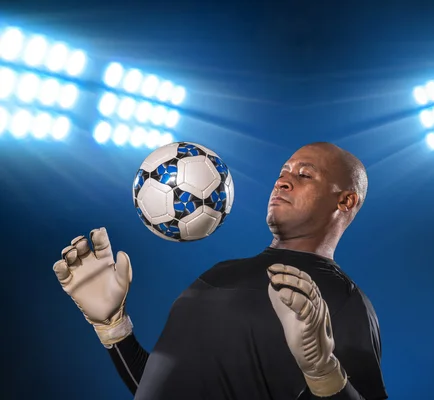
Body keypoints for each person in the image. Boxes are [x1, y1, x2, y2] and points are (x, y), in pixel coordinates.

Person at [53, 142, 388, 400]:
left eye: (304, 174)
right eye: (283, 171)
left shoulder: (345, 303)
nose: (283, 181)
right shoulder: (219, 274)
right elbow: (160, 389)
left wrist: (324, 373)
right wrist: (113, 328)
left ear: (345, 201)